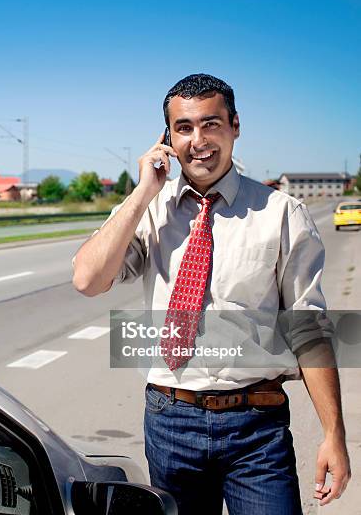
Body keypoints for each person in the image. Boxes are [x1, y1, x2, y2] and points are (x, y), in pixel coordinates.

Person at [72, 74, 351, 514]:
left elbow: (309, 330)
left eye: (211, 124)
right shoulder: (150, 210)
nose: (198, 140)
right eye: (184, 128)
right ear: (167, 137)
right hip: (170, 421)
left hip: (257, 426)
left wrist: (334, 435)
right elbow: (87, 279)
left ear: (235, 126)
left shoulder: (281, 215)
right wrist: (144, 190)